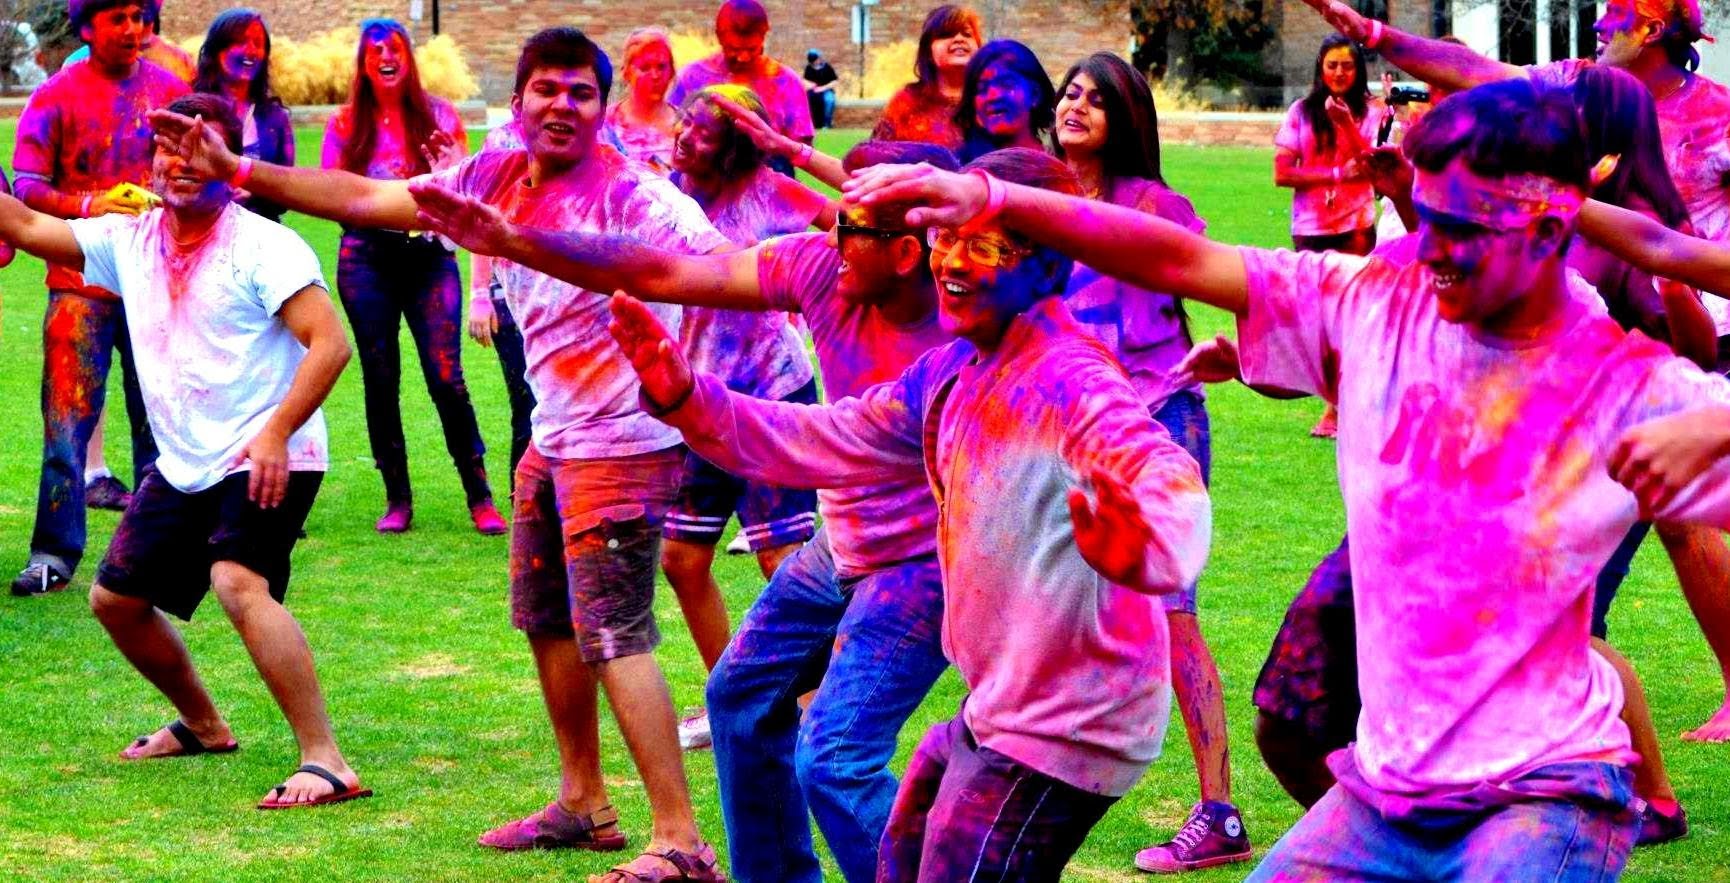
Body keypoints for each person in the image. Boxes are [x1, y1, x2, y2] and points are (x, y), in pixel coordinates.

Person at [843, 77, 1730, 882]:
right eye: (1422, 218)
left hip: (1542, 798)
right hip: (1385, 796)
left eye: (1463, 229)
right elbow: (1183, 260)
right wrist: (997, 198)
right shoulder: (1377, 301)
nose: (1429, 250)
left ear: (1547, 229)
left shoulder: (1629, 388)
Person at [155, 27, 730, 879]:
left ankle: (680, 840)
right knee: (547, 619)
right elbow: (366, 198)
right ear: (519, 98)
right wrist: (240, 170)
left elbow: (723, 280)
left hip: (624, 442)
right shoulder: (495, 171)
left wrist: (706, 402)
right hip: (554, 434)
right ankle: (584, 803)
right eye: (547, 90)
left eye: (580, 93)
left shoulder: (643, 202)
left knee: (617, 632)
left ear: (603, 108)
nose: (562, 107)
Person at [610, 146, 1210, 882]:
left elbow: (1165, 478)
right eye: (945, 239)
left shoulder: (1070, 377)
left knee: (864, 789)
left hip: (1072, 724)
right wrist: (688, 397)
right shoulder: (953, 369)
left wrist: (1144, 544)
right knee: (904, 841)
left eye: (982, 243)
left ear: (1047, 261)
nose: (951, 262)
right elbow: (826, 437)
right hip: (1001, 711)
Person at [409, 137, 960, 883]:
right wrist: (512, 240)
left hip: (928, 560)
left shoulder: (962, 338)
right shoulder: (818, 269)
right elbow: (663, 269)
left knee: (833, 758)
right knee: (738, 697)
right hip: (842, 545)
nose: (831, 237)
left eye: (851, 228)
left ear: (904, 253)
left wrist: (688, 399)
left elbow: (815, 440)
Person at [1300, 0, 1730, 745]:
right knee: (1625, 574)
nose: (1599, 25)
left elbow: (1667, 255)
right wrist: (1374, 36)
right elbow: (1474, 73)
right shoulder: (1577, 90)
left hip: (1656, 369)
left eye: (1616, 14)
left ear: (1655, 27)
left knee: (1619, 580)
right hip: (1550, 370)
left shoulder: (1711, 118)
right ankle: (1650, 784)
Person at [0, 92, 363, 809]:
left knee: (237, 581)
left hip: (270, 448)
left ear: (230, 161)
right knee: (116, 600)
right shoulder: (128, 238)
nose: (180, 163)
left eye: (199, 147)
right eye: (168, 148)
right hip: (186, 459)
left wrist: (275, 432)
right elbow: (27, 222)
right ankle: (203, 723)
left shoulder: (264, 245)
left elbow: (331, 342)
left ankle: (327, 760)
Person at [1049, 50, 1251, 874]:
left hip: (1160, 421)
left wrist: (1228, 350)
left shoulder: (1156, 205)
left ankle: (1221, 811)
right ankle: (1048, 777)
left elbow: (1235, 289)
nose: (1076, 106)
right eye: (1070, 93)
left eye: (1096, 99)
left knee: (1172, 615)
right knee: (1056, 608)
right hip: (1067, 431)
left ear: (1126, 118)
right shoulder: (1038, 197)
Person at [661, 83, 829, 752]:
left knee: (783, 562)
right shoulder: (663, 191)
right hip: (697, 404)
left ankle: (819, 716)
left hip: (770, 402)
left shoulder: (770, 192)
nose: (684, 138)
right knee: (681, 558)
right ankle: (734, 694)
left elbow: (851, 228)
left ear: (735, 145)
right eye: (684, 124)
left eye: (702, 131)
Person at [10, 0, 185, 597]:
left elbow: (196, 170)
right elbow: (27, 186)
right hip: (77, 283)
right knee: (66, 424)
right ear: (88, 27)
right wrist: (92, 202)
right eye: (118, 18)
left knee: (159, 423)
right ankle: (53, 554)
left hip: (157, 283)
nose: (133, 29)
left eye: (140, 15)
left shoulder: (168, 91)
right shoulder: (55, 95)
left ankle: (156, 552)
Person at [322, 18, 502, 536]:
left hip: (428, 259)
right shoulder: (342, 124)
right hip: (366, 260)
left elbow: (467, 190)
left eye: (396, 48)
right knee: (381, 380)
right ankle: (397, 498)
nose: (386, 57)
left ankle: (480, 496)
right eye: (375, 50)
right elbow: (335, 194)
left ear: (409, 57)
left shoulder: (440, 115)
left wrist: (455, 165)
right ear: (363, 62)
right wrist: (391, 208)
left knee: (447, 377)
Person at [467, 113, 536, 496]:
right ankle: (527, 501)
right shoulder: (501, 143)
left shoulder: (589, 136)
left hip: (568, 291)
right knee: (526, 402)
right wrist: (480, 295)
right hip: (509, 294)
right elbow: (482, 219)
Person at [670, 0, 813, 175]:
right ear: (719, 37)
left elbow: (803, 147)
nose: (743, 57)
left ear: (763, 37)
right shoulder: (692, 77)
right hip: (702, 184)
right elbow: (672, 132)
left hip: (769, 183)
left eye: (752, 49)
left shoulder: (785, 81)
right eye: (734, 49)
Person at [192, 8, 293, 224]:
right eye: (241, 42)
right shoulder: (192, 110)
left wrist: (254, 190)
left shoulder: (276, 119)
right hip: (202, 229)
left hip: (261, 235)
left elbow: (287, 191)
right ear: (217, 49)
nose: (251, 51)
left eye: (258, 43)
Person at [871, 4, 982, 151]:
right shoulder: (906, 103)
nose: (959, 38)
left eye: (967, 34)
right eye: (947, 34)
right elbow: (874, 160)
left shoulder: (994, 98)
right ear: (928, 53)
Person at [954, 39, 1055, 163]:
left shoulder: (1060, 166)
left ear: (1035, 94)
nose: (993, 96)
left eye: (1006, 84)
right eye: (981, 89)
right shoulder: (956, 170)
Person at [602, 26, 679, 174]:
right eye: (645, 68)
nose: (655, 76)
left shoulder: (685, 126)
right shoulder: (603, 124)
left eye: (662, 67)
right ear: (626, 72)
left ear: (672, 71)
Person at [65, 0, 194, 83]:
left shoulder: (181, 61)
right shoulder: (74, 67)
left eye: (136, 17)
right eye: (117, 19)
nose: (130, 30)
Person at [803, 48, 838, 129]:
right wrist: (811, 85)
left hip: (826, 90)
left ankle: (827, 123)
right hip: (813, 90)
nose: (818, 61)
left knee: (829, 100)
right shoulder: (809, 68)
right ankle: (811, 123)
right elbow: (805, 81)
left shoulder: (827, 67)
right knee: (807, 101)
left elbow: (834, 81)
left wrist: (823, 88)